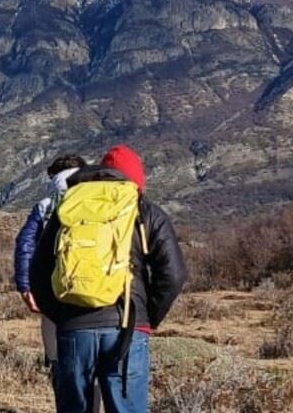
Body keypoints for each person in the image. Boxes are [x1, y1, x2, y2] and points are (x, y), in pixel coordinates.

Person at [30, 145, 187, 413]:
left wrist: (61, 315)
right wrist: (147, 317)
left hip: (73, 328)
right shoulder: (145, 211)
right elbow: (173, 274)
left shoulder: (69, 207)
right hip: (127, 327)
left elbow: (38, 271)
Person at [14, 153, 87, 371]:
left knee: (58, 362)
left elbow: (25, 245)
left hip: (54, 290)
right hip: (99, 288)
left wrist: (25, 286)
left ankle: (55, 368)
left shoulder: (46, 205)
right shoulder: (103, 203)